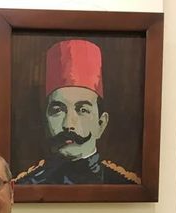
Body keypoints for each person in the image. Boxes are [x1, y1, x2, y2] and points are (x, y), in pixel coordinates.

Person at [15, 39, 139, 185]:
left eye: (82, 110)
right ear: (45, 120)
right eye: (58, 110)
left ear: (101, 124)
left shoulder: (123, 185)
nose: (68, 125)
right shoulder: (26, 184)